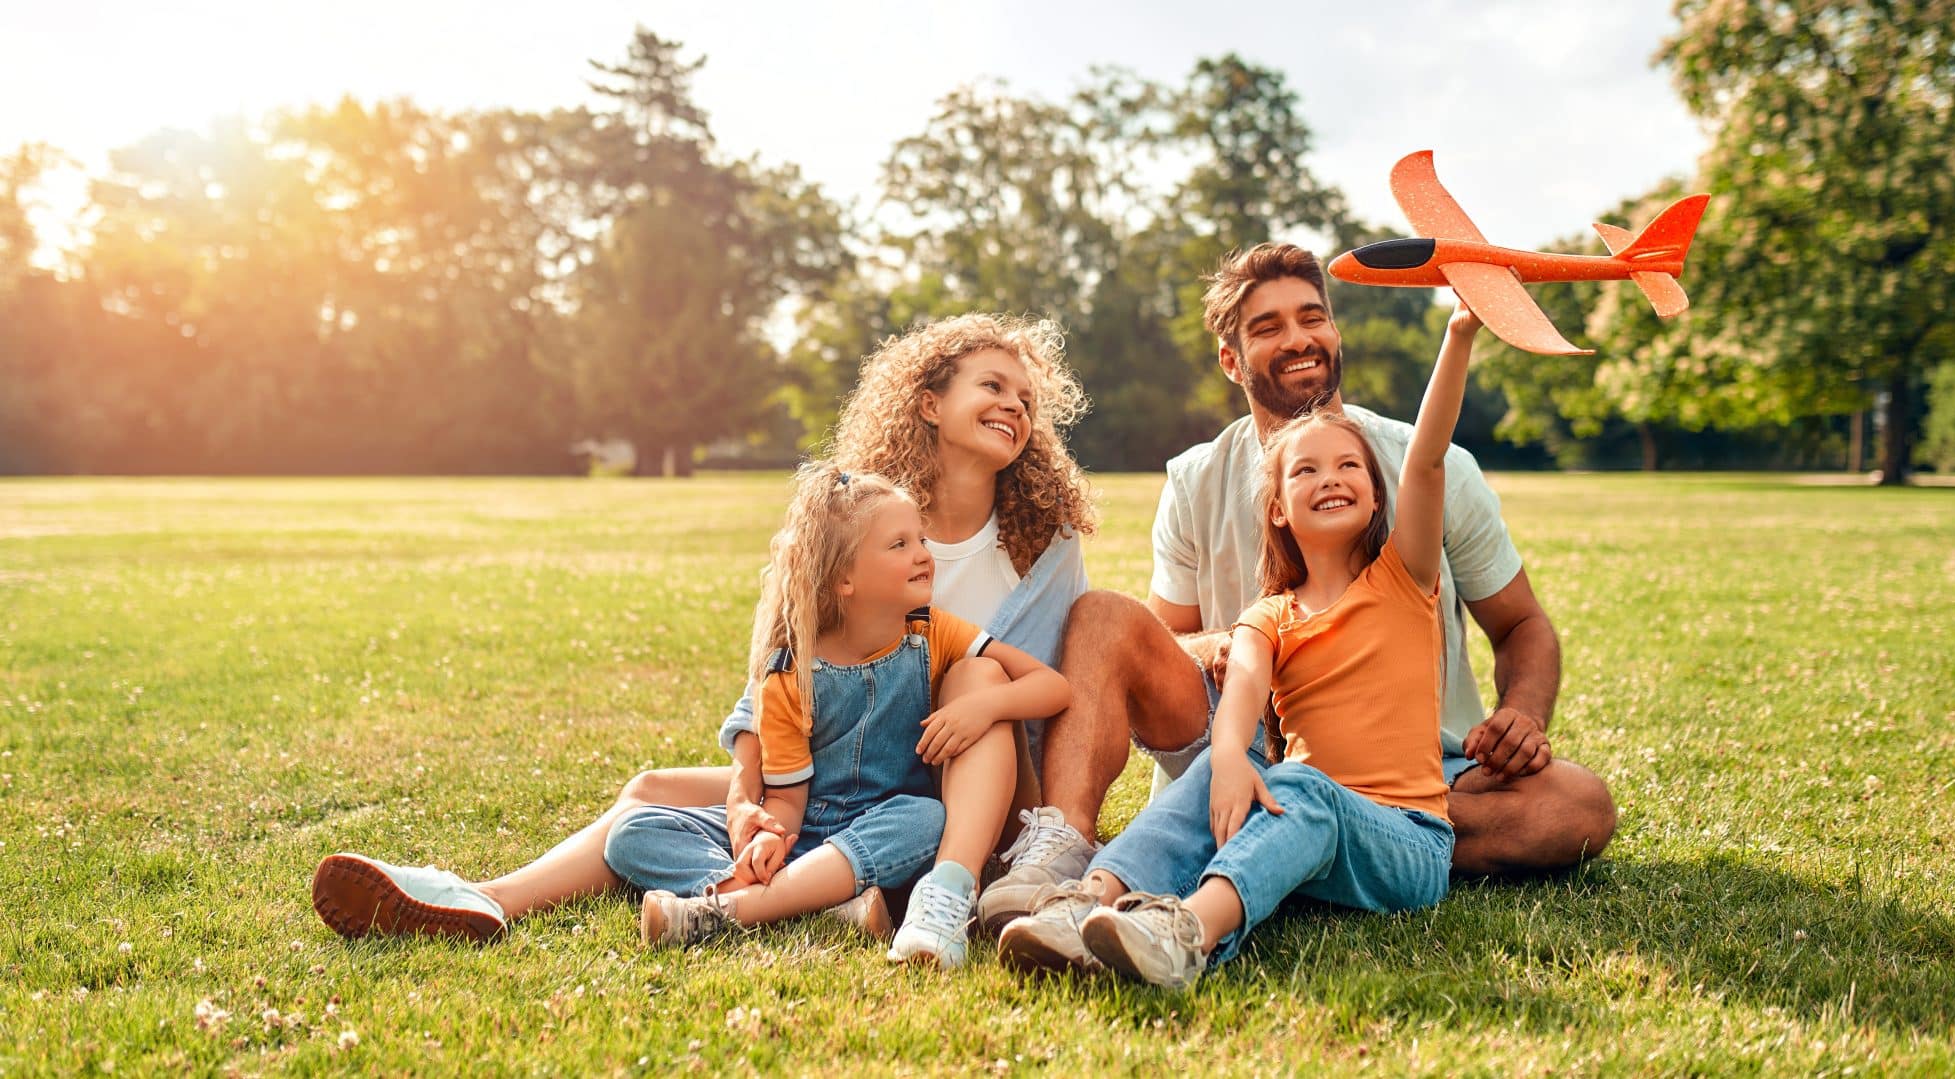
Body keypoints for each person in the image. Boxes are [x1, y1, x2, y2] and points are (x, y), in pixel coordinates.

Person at [311, 314, 1097, 949]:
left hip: (951, 788)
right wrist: (748, 805)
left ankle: (801, 898)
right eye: (993, 385)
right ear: (928, 402)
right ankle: (489, 899)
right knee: (646, 795)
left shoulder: (1040, 543)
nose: (1016, 407)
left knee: (973, 681)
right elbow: (779, 678)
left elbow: (1040, 687)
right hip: (822, 779)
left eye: (1028, 399)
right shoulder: (859, 524)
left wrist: (983, 721)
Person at [979, 245, 1613, 936]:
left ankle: (1305, 838)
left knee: (1578, 806)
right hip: (1242, 737)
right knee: (1102, 616)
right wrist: (1227, 646)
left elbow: (1522, 623)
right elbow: (1163, 644)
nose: (1299, 338)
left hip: (1419, 764)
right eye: (1268, 326)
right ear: (1231, 359)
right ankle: (1070, 861)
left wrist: (1522, 713)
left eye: (1313, 317)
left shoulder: (1423, 474)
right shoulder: (1198, 481)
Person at [999, 300, 1484, 986]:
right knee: (1224, 772)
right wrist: (1227, 756)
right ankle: (1087, 903)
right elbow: (1243, 693)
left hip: (1406, 844)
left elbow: (1429, 456)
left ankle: (1185, 931)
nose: (1331, 478)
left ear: (1379, 496)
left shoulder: (1405, 579)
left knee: (1299, 785)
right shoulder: (1269, 615)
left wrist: (1459, 333)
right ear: (1279, 507)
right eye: (1307, 470)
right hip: (1303, 829)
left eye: (1349, 466)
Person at [610, 464, 1069, 966]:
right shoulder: (791, 672)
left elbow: (1053, 687)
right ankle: (788, 901)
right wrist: (768, 836)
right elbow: (787, 799)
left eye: (921, 539)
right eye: (899, 545)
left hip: (886, 828)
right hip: (808, 835)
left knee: (927, 817)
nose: (923, 555)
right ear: (842, 580)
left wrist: (986, 705)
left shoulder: (933, 632)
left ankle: (733, 909)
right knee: (633, 831)